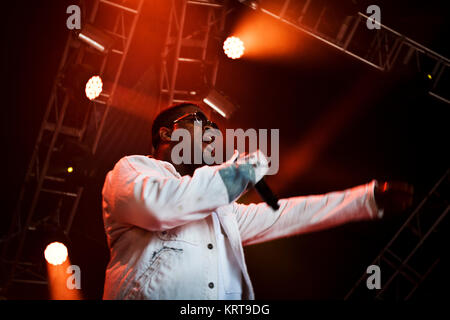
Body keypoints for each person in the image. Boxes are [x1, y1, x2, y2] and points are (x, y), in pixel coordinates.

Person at [101, 102, 413, 300]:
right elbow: (162, 206)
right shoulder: (132, 170)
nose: (211, 129)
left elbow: (286, 215)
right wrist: (243, 169)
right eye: (200, 120)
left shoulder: (221, 211)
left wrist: (366, 200)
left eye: (214, 125)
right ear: (167, 134)